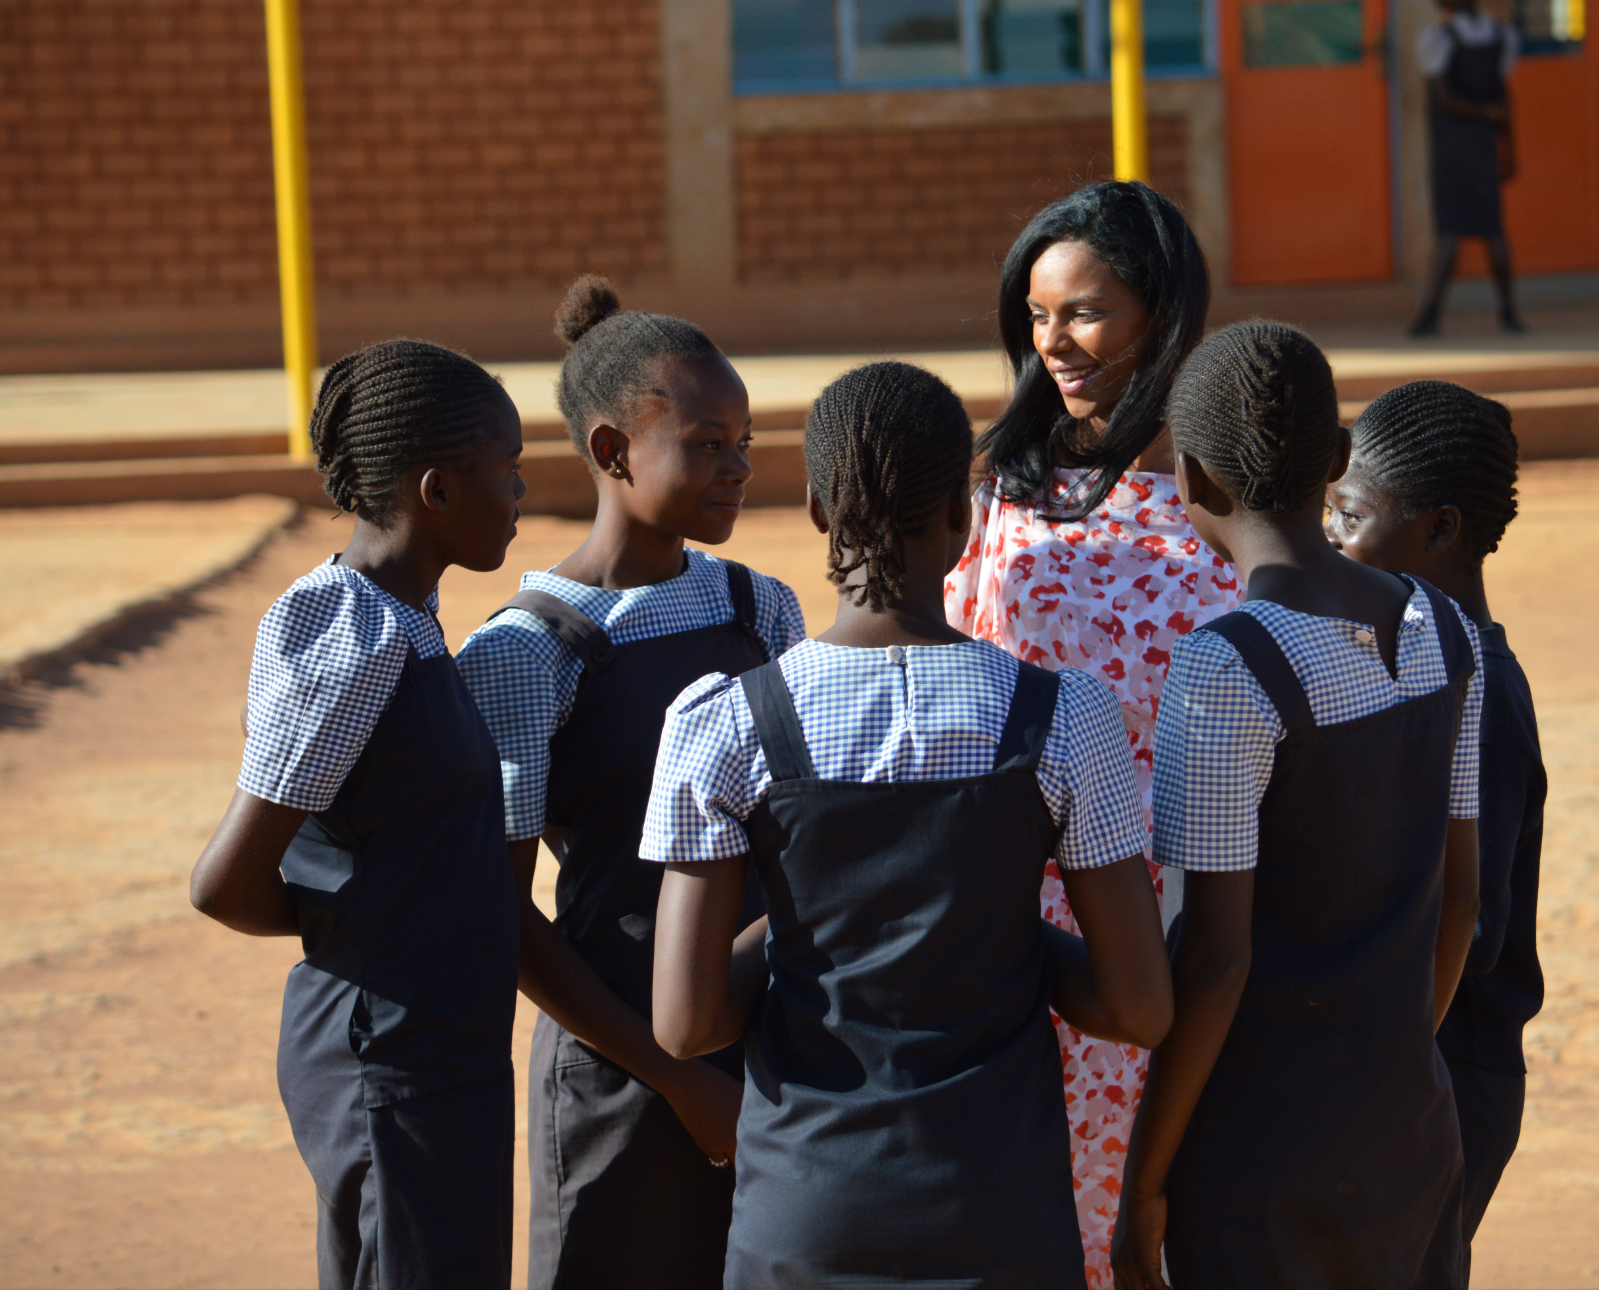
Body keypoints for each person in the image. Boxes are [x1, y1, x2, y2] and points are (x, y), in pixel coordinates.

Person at [644, 361, 1174, 1288]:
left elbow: (687, 1025)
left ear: (815, 507)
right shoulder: (1061, 718)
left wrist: (822, 919)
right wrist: (992, 919)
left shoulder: (726, 724)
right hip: (999, 1212)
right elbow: (1137, 1006)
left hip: (806, 1215)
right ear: (965, 518)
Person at [1112, 322, 1485, 1290]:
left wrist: (1145, 1180)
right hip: (1410, 1123)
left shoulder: (1225, 667)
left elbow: (1217, 957)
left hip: (1264, 1158)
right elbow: (1461, 902)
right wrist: (1396, 1055)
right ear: (1339, 460)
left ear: (1189, 481)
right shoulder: (1446, 630)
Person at [455, 277, 806, 1288]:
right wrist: (679, 1079)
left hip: (770, 1041)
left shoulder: (760, 606)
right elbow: (502, 912)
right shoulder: (530, 651)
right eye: (707, 445)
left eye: (743, 441)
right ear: (612, 453)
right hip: (619, 1064)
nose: (738, 468)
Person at [943, 179, 1236, 1284]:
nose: (1053, 341)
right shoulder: (996, 503)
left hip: (1188, 923)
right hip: (1018, 938)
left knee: (1160, 1222)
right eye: (1036, 314)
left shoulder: (1219, 499)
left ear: (1158, 310)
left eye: (1084, 311)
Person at [189, 339, 527, 1290]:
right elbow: (226, 883)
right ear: (436, 492)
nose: (520, 494)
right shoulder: (352, 631)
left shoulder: (409, 618)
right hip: (387, 1056)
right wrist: (363, 924)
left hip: (435, 1044)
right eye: (506, 473)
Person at [1328, 380, 1547, 1282]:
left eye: (1349, 513)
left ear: (1441, 530)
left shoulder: (1480, 689)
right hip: (1406, 1058)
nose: (1331, 536)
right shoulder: (1409, 655)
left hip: (1449, 1073)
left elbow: (1477, 925)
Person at [1411, 0, 1525, 337]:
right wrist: (1506, 143)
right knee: (1492, 230)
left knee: (1450, 231)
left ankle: (1430, 314)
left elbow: (1444, 98)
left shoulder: (1441, 38)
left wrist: (1493, 124)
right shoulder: (1499, 36)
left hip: (1453, 149)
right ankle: (1508, 313)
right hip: (1483, 146)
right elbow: (1504, 101)